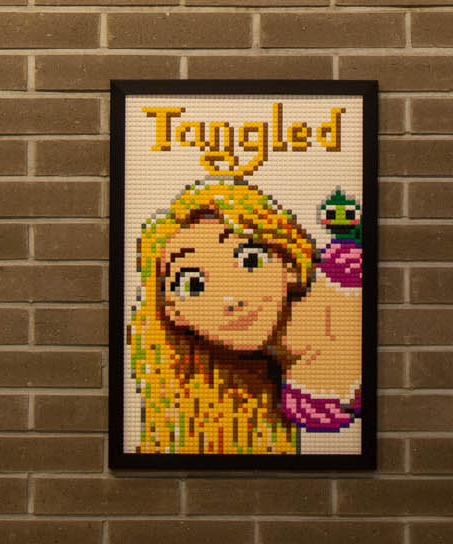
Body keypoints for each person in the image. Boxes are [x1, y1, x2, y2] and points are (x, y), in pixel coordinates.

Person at [128, 180, 362, 454]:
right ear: (174, 314)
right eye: (193, 285)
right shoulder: (306, 405)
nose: (230, 300)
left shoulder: (349, 269)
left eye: (249, 260)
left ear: (287, 261)